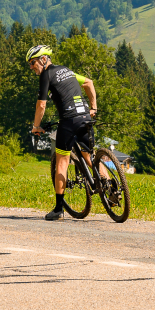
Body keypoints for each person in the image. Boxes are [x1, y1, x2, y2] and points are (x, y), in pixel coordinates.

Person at [26, 45, 98, 221]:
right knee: (90, 158)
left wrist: (36, 126)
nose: (31, 67)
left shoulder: (46, 74)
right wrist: (93, 107)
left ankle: (58, 209)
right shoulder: (66, 70)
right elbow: (89, 82)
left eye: (33, 62)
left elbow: (41, 105)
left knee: (62, 163)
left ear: (43, 59)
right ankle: (110, 188)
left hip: (69, 120)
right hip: (85, 118)